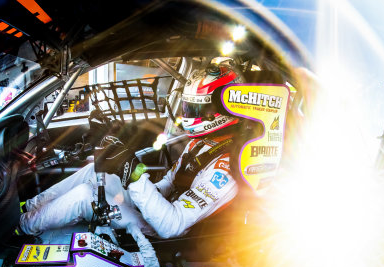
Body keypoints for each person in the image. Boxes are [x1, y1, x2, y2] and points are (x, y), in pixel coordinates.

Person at [19, 61, 248, 241]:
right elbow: (168, 183)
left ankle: (21, 228)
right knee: (93, 171)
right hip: (158, 210)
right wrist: (127, 164)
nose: (189, 114)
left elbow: (171, 226)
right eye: (188, 106)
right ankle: (30, 208)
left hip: (163, 229)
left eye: (196, 108)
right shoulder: (200, 144)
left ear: (220, 111)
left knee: (85, 196)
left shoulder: (227, 168)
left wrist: (134, 175)